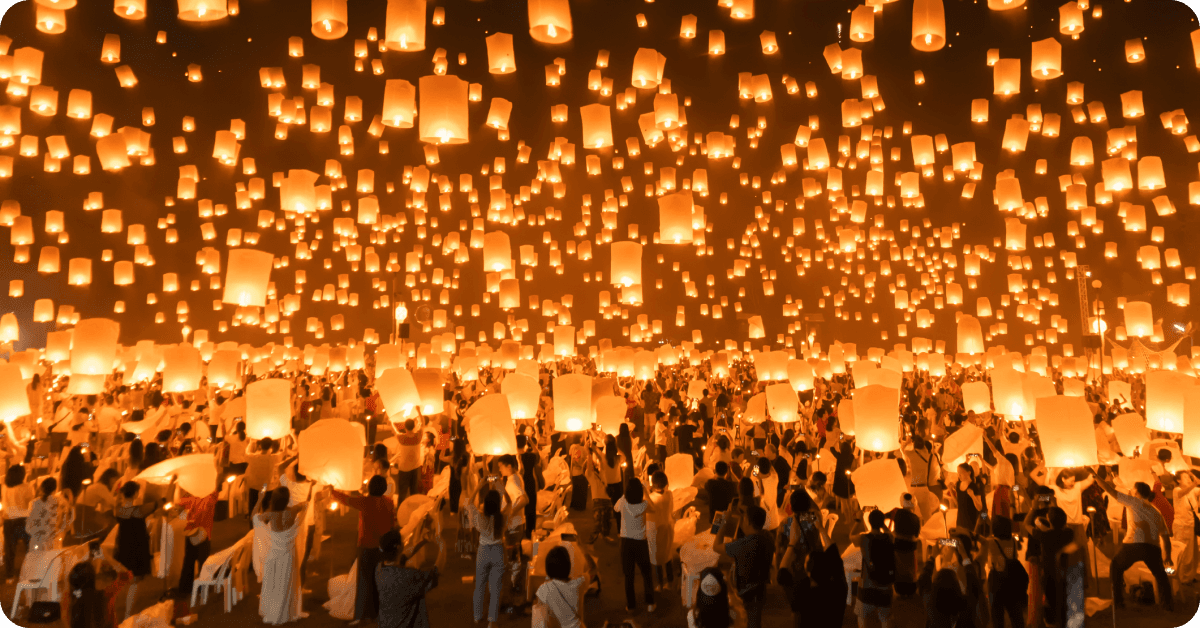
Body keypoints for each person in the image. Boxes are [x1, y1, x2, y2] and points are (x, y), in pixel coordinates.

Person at [1097, 475, 1174, 612]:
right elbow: (1166, 537)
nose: (1131, 490)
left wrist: (1096, 476)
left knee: (1116, 567)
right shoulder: (1156, 512)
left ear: (1137, 492)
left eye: (1133, 489)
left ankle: (1119, 602)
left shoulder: (1133, 502)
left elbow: (1110, 490)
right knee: (1161, 575)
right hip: (1153, 548)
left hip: (1133, 544)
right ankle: (1168, 604)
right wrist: (1168, 556)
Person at [331, 476, 396, 626]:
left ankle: (361, 616)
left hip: (366, 547)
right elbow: (392, 524)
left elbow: (347, 499)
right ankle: (378, 613)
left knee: (364, 583)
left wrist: (332, 491)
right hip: (383, 548)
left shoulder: (365, 502)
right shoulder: (389, 503)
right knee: (379, 581)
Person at [713, 502, 774, 628]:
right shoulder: (768, 538)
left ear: (748, 522)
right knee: (755, 620)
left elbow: (716, 546)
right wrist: (743, 512)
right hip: (760, 589)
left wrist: (723, 522)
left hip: (747, 593)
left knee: (748, 621)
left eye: (744, 518)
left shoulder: (744, 545)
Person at [255, 488, 309, 624]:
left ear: (273, 500)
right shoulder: (292, 511)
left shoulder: (271, 515)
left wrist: (260, 499)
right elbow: (305, 504)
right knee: (287, 582)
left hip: (274, 555)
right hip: (289, 555)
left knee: (274, 582)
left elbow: (253, 517)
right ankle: (287, 611)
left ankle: (273, 610)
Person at [111, 482, 159, 623]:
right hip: (137, 547)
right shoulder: (139, 510)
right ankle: (127, 615)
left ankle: (114, 609)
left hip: (123, 546)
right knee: (135, 581)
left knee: (125, 579)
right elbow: (160, 502)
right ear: (136, 493)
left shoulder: (118, 510)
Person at [376, 527, 442, 628]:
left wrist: (423, 541)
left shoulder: (379, 569)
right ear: (399, 547)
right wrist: (442, 546)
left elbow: (403, 557)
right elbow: (436, 572)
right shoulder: (408, 576)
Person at [466, 481, 510, 628]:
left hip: (483, 551)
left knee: (480, 584)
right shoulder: (502, 518)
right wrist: (502, 488)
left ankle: (477, 616)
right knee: (496, 588)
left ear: (485, 503)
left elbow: (470, 502)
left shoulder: (479, 517)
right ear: (498, 504)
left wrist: (478, 486)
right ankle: (492, 621)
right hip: (498, 551)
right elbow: (509, 502)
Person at [615, 478, 655, 613]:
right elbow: (654, 508)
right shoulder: (644, 504)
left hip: (626, 542)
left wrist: (623, 495)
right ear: (640, 492)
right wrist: (646, 492)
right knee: (646, 573)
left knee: (629, 575)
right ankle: (650, 603)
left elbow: (615, 508)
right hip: (640, 542)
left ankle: (631, 606)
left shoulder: (623, 502)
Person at [176, 484, 219, 608]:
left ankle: (186, 587)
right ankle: (202, 587)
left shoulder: (193, 498)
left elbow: (177, 502)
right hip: (202, 535)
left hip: (193, 534)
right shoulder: (209, 497)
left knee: (190, 562)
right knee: (201, 562)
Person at [852, 509, 895, 628]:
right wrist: (883, 525)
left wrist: (858, 520)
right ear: (882, 522)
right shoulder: (889, 538)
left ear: (869, 522)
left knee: (862, 617)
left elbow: (851, 535)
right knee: (885, 619)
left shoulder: (863, 539)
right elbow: (889, 533)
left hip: (867, 585)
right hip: (886, 585)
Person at [983, 516, 1028, 628]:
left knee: (997, 614)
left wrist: (982, 520)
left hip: (996, 581)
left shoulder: (990, 542)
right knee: (1015, 613)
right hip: (1011, 579)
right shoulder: (1012, 541)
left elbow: (981, 540)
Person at [536, 546, 587, 628]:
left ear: (548, 568)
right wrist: (584, 549)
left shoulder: (543, 589)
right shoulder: (580, 583)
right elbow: (591, 570)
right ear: (568, 565)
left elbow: (546, 621)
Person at [2, 464, 34, 583]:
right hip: (23, 520)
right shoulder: (26, 487)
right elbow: (31, 504)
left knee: (10, 550)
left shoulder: (5, 486)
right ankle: (29, 574)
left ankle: (9, 576)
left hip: (8, 520)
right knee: (29, 548)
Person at [646, 471, 675, 590]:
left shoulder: (651, 499)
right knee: (668, 555)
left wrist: (646, 490)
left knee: (656, 558)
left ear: (653, 484)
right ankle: (670, 581)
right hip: (668, 528)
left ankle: (659, 584)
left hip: (655, 531)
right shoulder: (669, 494)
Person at [27, 476, 71, 552]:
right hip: (55, 540)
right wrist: (62, 535)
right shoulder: (63, 502)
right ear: (55, 488)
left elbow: (30, 524)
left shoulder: (33, 503)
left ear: (42, 488)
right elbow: (66, 523)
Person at [394, 419, 423, 503]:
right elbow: (423, 424)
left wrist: (391, 423)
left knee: (402, 493)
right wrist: (419, 412)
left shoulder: (402, 437)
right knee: (414, 493)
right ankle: (414, 512)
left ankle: (400, 512)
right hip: (415, 468)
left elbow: (395, 430)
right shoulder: (418, 437)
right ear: (414, 426)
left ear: (405, 427)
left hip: (403, 469)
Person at [704, 461, 737, 527]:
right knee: (722, 534)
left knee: (715, 533)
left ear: (715, 470)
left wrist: (715, 474)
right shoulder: (731, 485)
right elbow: (737, 483)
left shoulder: (710, 483)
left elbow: (708, 483)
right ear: (727, 472)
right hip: (725, 516)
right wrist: (731, 472)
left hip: (713, 516)